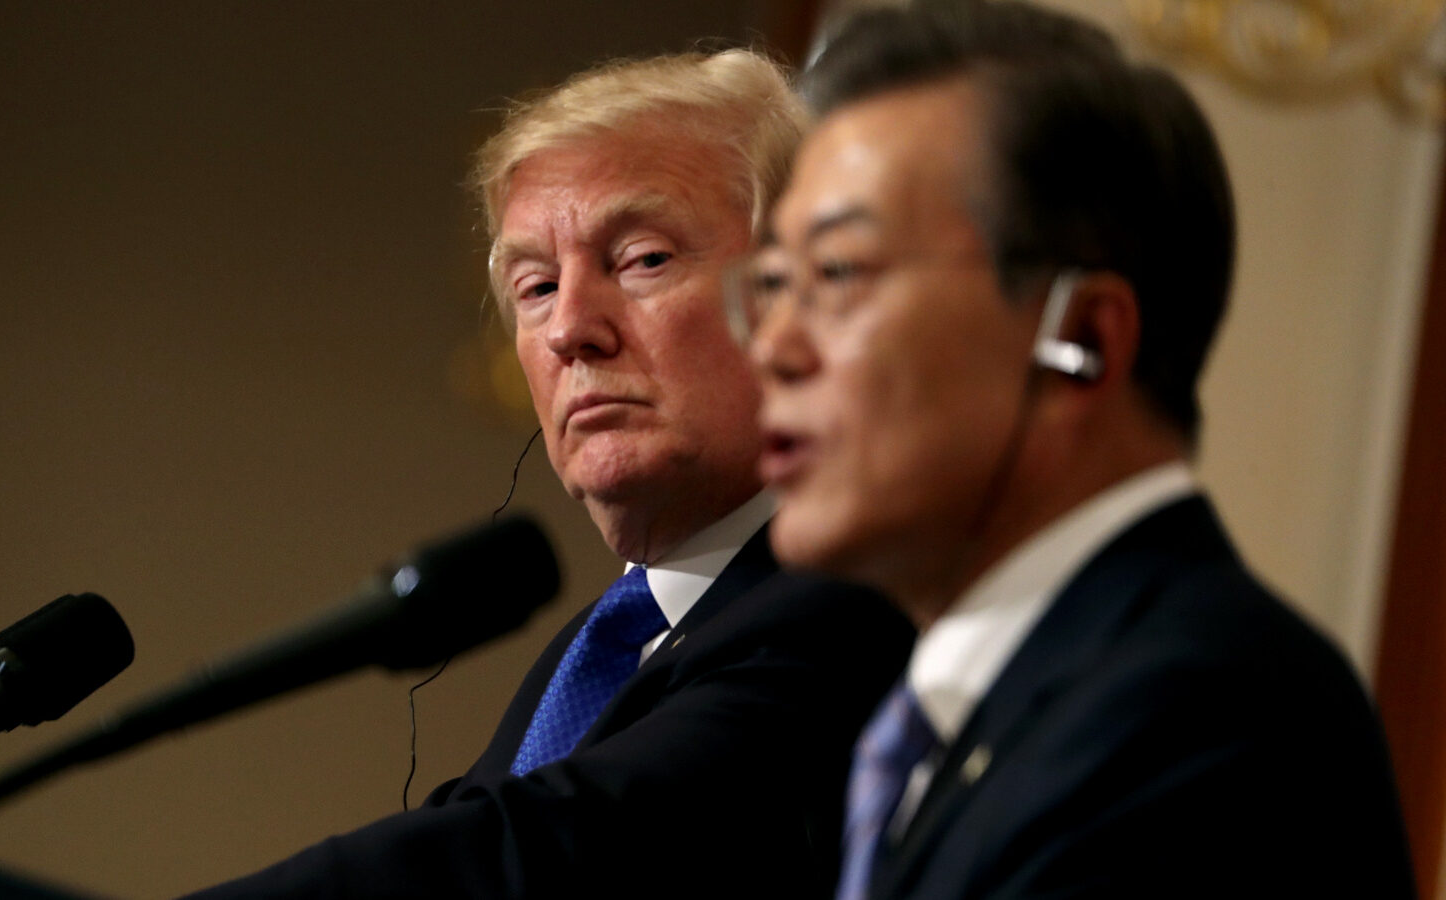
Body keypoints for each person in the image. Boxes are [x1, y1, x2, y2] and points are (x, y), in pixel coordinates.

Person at [186, 49, 912, 899]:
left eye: (643, 259)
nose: (571, 328)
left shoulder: (859, 599)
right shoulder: (602, 649)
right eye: (536, 287)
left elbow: (547, 853)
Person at [738, 2, 1416, 897]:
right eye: (773, 284)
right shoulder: (972, 715)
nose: (772, 346)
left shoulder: (1206, 717)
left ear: (1084, 341)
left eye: (837, 273)